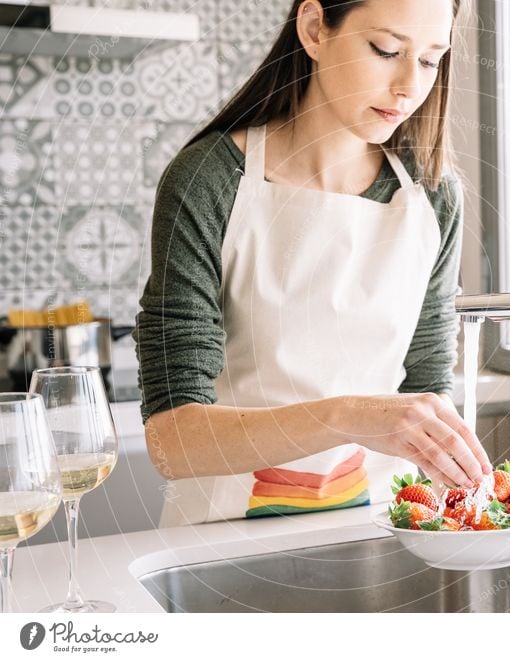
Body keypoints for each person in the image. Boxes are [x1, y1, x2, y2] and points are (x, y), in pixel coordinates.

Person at [133, 0, 491, 527]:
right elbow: (173, 442)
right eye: (387, 50)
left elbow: (428, 387)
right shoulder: (208, 179)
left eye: (431, 60)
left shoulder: (433, 195)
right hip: (219, 543)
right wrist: (347, 416)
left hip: (379, 533)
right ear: (314, 28)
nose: (410, 87)